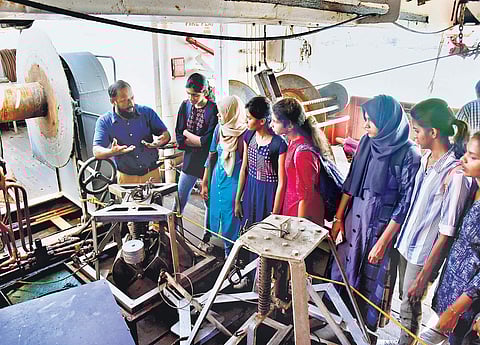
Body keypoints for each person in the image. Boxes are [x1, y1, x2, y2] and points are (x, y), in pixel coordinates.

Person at [329, 95, 421, 333]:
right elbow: (350, 183)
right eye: (365, 119)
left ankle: (364, 334)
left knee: (369, 282)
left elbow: (405, 203)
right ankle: (344, 327)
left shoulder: (409, 154)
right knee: (346, 272)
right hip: (354, 221)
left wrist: (382, 242)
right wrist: (339, 218)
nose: (366, 125)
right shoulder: (366, 143)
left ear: (388, 122)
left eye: (371, 121)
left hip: (379, 229)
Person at [386, 98, 472, 345]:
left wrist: (425, 274)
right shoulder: (425, 161)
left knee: (410, 305)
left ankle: (406, 342)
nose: (414, 135)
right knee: (405, 301)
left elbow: (447, 233)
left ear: (433, 132)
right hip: (406, 244)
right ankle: (405, 340)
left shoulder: (455, 175)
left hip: (423, 253)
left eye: (417, 130)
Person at [418, 132, 480, 345]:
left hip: (468, 306)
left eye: (473, 157)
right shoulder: (474, 188)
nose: (463, 159)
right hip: (454, 291)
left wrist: (455, 310)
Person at [93, 80, 170, 184]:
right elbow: (96, 151)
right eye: (124, 100)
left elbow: (166, 134)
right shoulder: (104, 122)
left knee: (154, 200)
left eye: (132, 98)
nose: (131, 103)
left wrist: (160, 141)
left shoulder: (147, 112)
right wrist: (112, 152)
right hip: (126, 178)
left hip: (152, 174)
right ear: (113, 101)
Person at [270, 97, 331, 225]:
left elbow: (306, 197)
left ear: (290, 125)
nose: (271, 125)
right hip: (292, 205)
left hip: (302, 212)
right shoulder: (293, 140)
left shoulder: (303, 153)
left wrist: (299, 225)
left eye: (275, 121)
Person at [200, 95, 247, 257]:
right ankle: (223, 247)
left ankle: (232, 255)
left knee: (233, 218)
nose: (218, 116)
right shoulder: (219, 130)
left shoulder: (245, 135)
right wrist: (205, 182)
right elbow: (211, 156)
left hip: (234, 185)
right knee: (216, 212)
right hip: (216, 180)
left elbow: (245, 169)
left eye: (222, 112)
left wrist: (240, 196)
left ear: (231, 113)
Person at [235, 96, 287, 227]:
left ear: (262, 121)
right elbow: (244, 169)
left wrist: (275, 214)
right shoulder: (248, 135)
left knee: (266, 231)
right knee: (248, 228)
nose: (246, 121)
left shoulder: (279, 143)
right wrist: (237, 200)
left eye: (250, 118)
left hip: (269, 193)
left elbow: (282, 182)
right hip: (251, 188)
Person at [175, 73, 218, 213]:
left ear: (204, 92)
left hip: (207, 161)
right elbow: (179, 134)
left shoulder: (213, 109)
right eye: (188, 94)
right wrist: (196, 141)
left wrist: (187, 134)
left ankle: (207, 233)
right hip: (191, 160)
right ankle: (173, 228)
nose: (191, 98)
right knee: (180, 197)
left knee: (208, 201)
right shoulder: (185, 106)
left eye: (195, 95)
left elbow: (208, 141)